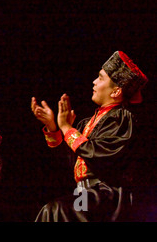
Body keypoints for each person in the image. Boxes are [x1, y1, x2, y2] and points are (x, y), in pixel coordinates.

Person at [31, 50, 148, 222]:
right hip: (86, 194)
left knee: (56, 211)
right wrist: (54, 128)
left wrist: (66, 127)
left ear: (116, 91)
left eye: (100, 78)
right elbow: (73, 161)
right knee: (52, 209)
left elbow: (99, 155)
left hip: (108, 195)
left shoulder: (122, 118)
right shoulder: (88, 123)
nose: (94, 82)